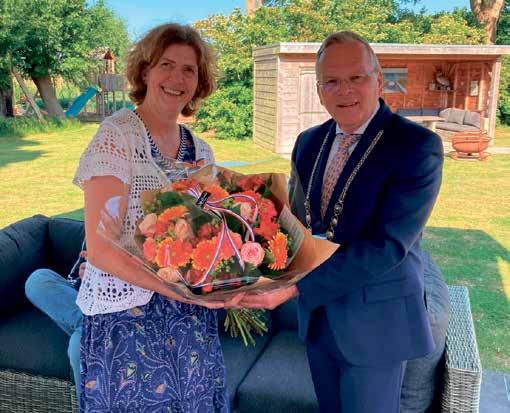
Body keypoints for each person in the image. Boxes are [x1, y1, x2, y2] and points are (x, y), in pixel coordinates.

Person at [241, 31, 444, 412]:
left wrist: (294, 289)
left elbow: (387, 246)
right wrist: (249, 245)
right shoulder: (308, 142)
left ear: (379, 81)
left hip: (377, 326)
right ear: (319, 91)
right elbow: (298, 224)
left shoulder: (415, 146)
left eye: (356, 77)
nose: (344, 90)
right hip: (319, 322)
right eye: (331, 81)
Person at [73, 23, 241, 412]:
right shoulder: (117, 137)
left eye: (189, 69)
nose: (177, 78)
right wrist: (174, 289)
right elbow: (101, 249)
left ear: (199, 82)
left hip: (190, 322)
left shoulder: (202, 151)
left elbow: (208, 232)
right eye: (167, 64)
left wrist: (233, 274)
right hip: (127, 320)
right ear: (145, 71)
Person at [24, 246, 86, 399]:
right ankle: (91, 326)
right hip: (79, 298)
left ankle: (90, 328)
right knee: (37, 280)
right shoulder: (97, 232)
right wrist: (86, 272)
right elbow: (76, 276)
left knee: (78, 345)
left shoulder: (138, 236)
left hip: (124, 304)